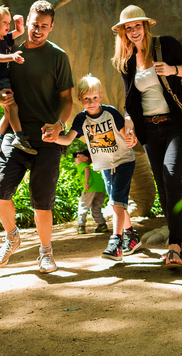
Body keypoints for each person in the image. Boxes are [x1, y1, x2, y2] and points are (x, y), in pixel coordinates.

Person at [0, 0, 74, 273]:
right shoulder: (9, 51)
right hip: (16, 136)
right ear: (27, 21)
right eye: (35, 25)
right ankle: (12, 237)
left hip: (47, 140)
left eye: (45, 27)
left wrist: (59, 125)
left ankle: (46, 252)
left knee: (42, 202)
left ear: (52, 27)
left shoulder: (58, 56)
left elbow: (68, 99)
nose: (38, 31)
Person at [111, 5, 182, 267]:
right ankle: (178, 240)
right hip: (150, 130)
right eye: (129, 27)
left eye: (137, 25)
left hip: (176, 125)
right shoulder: (126, 62)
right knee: (162, 185)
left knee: (171, 175)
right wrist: (129, 124)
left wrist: (171, 70)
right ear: (124, 32)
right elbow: (129, 101)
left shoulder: (165, 45)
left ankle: (174, 243)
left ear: (145, 26)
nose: (134, 31)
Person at [44, 74, 141, 261]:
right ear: (80, 99)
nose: (91, 102)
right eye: (86, 98)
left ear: (101, 96)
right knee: (116, 201)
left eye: (95, 98)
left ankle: (116, 242)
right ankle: (131, 234)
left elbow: (126, 134)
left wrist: (131, 138)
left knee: (116, 200)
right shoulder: (81, 119)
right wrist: (53, 137)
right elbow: (68, 139)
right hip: (104, 165)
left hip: (123, 160)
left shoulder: (111, 113)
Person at [0, 5, 36, 155]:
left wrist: (19, 24)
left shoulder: (4, 38)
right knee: (12, 107)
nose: (8, 25)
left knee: (8, 112)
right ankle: (19, 137)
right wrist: (12, 57)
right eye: (5, 22)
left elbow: (19, 32)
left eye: (8, 22)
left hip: (2, 79)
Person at [72, 151, 108, 234]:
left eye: (78, 156)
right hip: (101, 188)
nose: (75, 158)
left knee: (83, 205)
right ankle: (102, 225)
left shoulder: (82, 165)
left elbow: (86, 169)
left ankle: (81, 226)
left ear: (85, 159)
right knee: (96, 207)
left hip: (91, 187)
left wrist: (86, 183)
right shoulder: (91, 168)